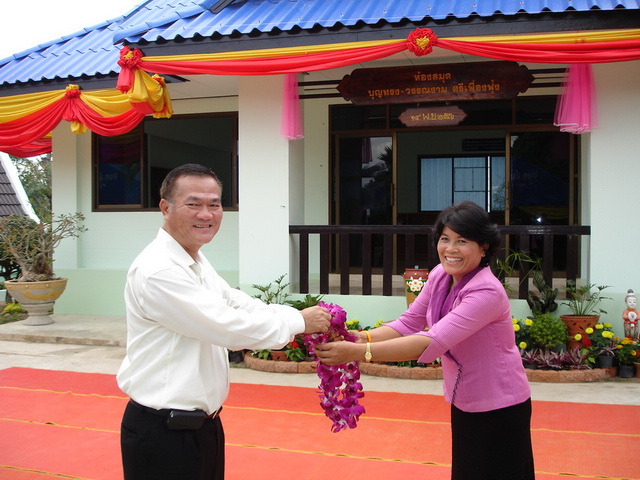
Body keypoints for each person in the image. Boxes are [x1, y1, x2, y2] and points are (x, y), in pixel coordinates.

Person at [117, 163, 331, 480]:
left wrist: (290, 316)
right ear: (165, 207)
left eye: (214, 205)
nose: (206, 214)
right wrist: (298, 321)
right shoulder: (159, 270)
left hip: (202, 426)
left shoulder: (193, 259)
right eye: (193, 204)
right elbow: (227, 327)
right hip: (164, 433)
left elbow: (234, 301)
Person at [314, 201, 535, 480]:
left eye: (462, 241)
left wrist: (358, 352)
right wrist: (362, 337)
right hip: (465, 398)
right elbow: (409, 322)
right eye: (445, 239)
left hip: (500, 405)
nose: (450, 249)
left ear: (484, 248)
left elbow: (431, 341)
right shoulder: (441, 275)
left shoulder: (486, 292)